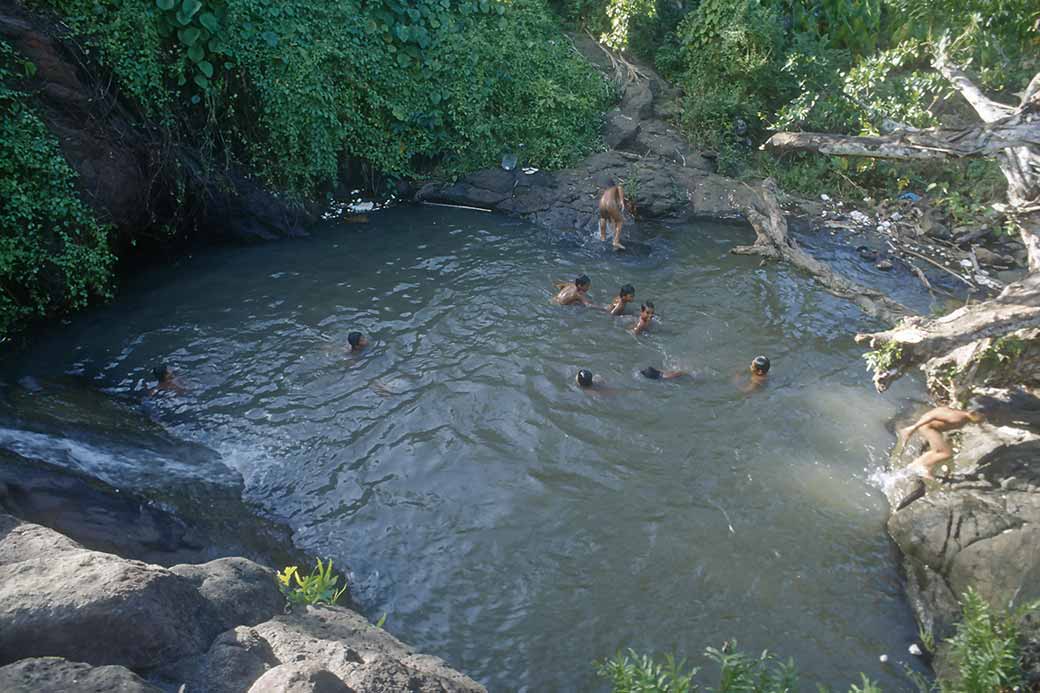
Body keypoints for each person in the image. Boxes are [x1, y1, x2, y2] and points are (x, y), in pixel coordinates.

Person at [898, 406, 986, 479]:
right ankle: (922, 468)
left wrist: (986, 430)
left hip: (935, 429)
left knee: (937, 451)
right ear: (974, 414)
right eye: (983, 417)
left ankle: (914, 466)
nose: (984, 420)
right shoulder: (957, 417)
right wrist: (912, 428)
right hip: (929, 428)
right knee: (945, 453)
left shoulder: (966, 417)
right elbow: (933, 415)